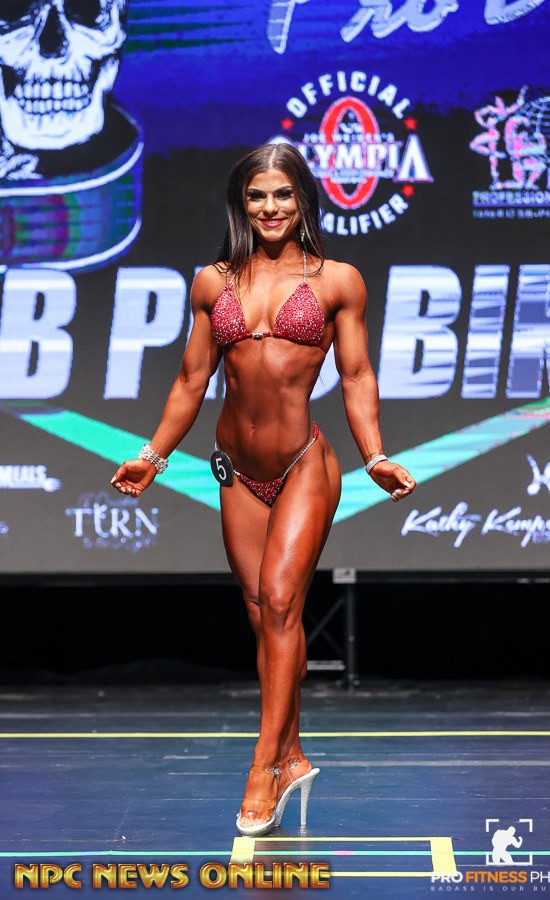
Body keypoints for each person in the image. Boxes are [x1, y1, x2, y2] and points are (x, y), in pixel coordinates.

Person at [110, 142, 417, 837]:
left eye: (283, 194)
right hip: (235, 471)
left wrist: (374, 455)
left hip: (305, 464)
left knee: (281, 603)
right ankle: (294, 755)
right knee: (264, 617)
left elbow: (357, 374)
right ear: (241, 204)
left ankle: (262, 768)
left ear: (303, 200)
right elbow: (191, 380)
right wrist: (152, 456)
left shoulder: (337, 281)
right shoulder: (212, 282)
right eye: (257, 196)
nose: (271, 207)